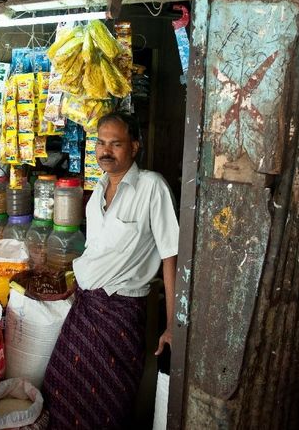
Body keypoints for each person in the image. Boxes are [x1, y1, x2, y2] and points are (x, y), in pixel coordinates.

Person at [44, 111, 179, 429]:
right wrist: (72, 285)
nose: (105, 151)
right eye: (101, 143)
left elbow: (170, 257)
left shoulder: (151, 187)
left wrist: (172, 325)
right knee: (59, 387)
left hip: (120, 314)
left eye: (115, 144)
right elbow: (96, 253)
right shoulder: (95, 197)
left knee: (108, 402)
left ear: (134, 146)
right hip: (85, 307)